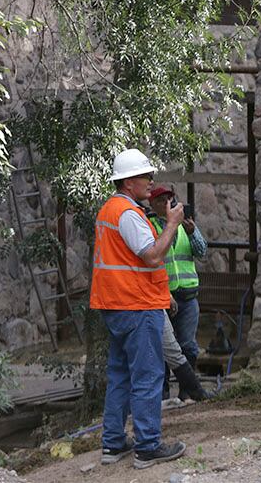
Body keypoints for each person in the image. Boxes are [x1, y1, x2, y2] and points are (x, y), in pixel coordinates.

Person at [91, 149, 186, 469]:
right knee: (147, 375)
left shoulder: (110, 209)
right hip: (136, 306)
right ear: (129, 181)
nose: (151, 181)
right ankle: (147, 446)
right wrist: (172, 223)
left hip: (115, 304)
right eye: (146, 176)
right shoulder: (129, 214)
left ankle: (113, 443)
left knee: (120, 375)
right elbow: (154, 256)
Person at [147, 186, 206, 369]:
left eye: (168, 199)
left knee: (187, 345)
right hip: (164, 297)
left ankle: (187, 391)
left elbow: (201, 251)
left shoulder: (184, 226)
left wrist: (193, 232)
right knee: (162, 347)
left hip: (188, 297)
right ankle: (163, 392)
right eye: (160, 200)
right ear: (151, 204)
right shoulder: (150, 226)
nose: (166, 204)